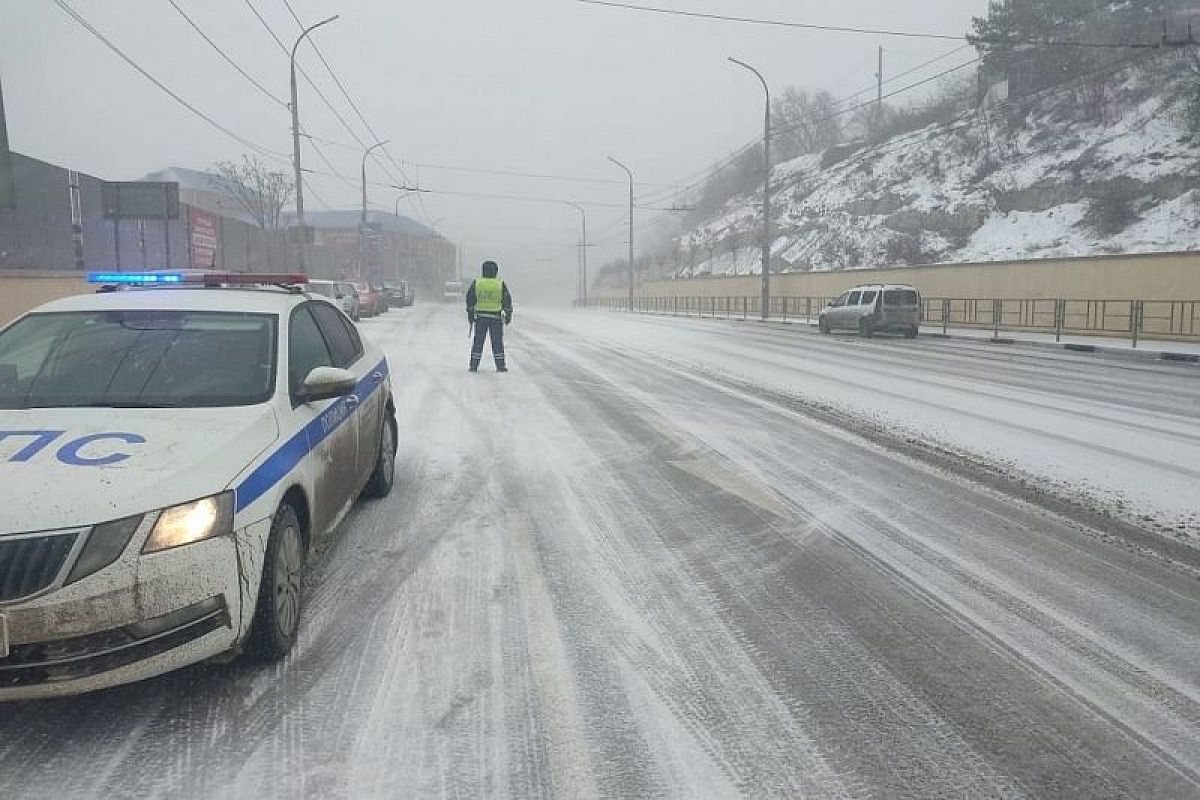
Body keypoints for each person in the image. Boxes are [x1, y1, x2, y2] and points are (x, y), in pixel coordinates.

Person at [465, 260, 513, 372]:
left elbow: (470, 299)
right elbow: (507, 300)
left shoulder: (477, 283)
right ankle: (500, 366)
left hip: (481, 317)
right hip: (495, 317)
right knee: (497, 343)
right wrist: (508, 314)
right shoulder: (500, 284)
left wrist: (470, 314)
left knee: (478, 342)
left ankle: (474, 365)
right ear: (496, 271)